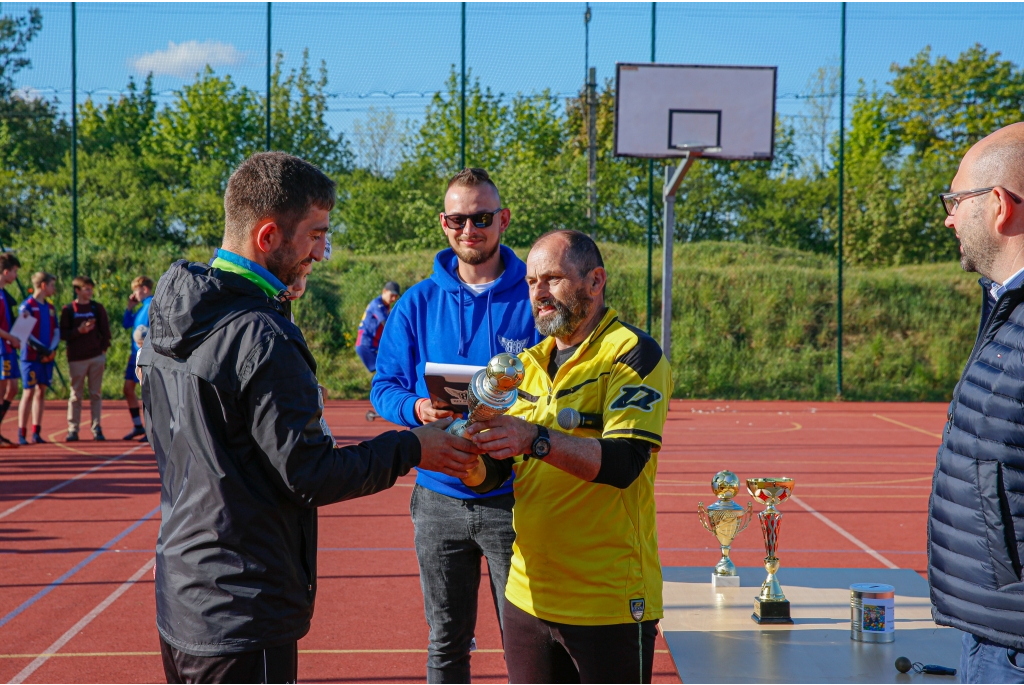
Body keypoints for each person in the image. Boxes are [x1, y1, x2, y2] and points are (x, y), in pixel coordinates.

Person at [140, 151, 481, 684]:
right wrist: (414, 447)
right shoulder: (262, 339)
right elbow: (311, 475)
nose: (321, 253)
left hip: (181, 591)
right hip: (243, 605)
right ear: (268, 236)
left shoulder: (170, 318)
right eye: (315, 235)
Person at [461, 230, 671, 684]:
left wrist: (535, 437)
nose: (538, 292)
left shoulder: (633, 354)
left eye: (552, 278)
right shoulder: (526, 364)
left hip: (607, 602)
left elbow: (624, 463)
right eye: (532, 281)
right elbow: (499, 470)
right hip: (526, 597)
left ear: (595, 282)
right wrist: (468, 461)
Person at [371, 167, 538, 683]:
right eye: (457, 218)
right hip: (438, 494)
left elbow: (559, 383)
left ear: (503, 220)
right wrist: (418, 410)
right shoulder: (417, 303)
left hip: (515, 495)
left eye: (482, 217)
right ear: (443, 224)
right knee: (445, 641)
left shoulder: (534, 297)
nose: (470, 229)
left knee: (527, 642)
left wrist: (521, 413)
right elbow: (384, 388)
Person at [930, 122, 1024, 684]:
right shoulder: (1005, 304)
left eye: (955, 199)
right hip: (994, 631)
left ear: (997, 205)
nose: (947, 217)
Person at [60, 276, 111, 441]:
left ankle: (97, 428)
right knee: (76, 394)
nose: (90, 292)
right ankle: (73, 429)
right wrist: (79, 331)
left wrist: (102, 351)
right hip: (76, 359)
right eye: (86, 289)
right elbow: (63, 334)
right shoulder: (68, 309)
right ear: (77, 290)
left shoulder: (97, 308)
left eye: (91, 289)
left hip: (96, 357)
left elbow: (106, 332)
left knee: (95, 393)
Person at [17, 271, 59, 445]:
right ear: (43, 285)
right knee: (28, 392)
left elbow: (56, 330)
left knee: (41, 392)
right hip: (31, 357)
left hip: (46, 356)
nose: (53, 288)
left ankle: (36, 431)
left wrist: (51, 349)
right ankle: (21, 432)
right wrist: (41, 349)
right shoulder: (27, 306)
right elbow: (23, 333)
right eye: (51, 285)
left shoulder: (50, 308)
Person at [122, 275, 153, 441]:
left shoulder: (152, 305)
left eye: (136, 290)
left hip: (145, 355)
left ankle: (151, 429)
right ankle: (137, 426)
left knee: (146, 392)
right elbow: (126, 324)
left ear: (145, 289)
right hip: (134, 355)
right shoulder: (140, 308)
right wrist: (129, 307)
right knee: (128, 389)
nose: (134, 294)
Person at [0, 253, 22, 447]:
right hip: (2, 348)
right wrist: (11, 337)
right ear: (6, 271)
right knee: (3, 389)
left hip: (8, 347)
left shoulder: (4, 294)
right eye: (14, 271)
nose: (15, 275)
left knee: (13, 388)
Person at [355, 281, 400, 373]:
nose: (394, 298)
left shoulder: (385, 306)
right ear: (384, 291)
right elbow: (387, 324)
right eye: (392, 295)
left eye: (396, 296)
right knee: (387, 372)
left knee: (387, 372)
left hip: (374, 345)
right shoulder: (377, 304)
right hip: (366, 344)